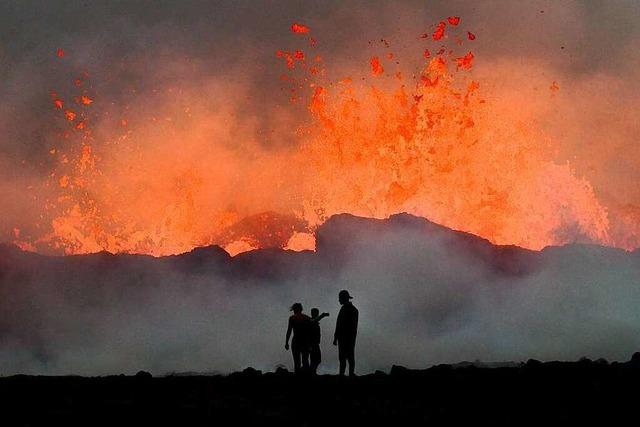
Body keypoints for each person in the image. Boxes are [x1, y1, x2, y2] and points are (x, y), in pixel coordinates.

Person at [333, 290, 359, 376]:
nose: (339, 300)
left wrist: (336, 337)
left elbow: (339, 324)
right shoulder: (354, 310)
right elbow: (354, 327)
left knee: (343, 357)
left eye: (340, 298)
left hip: (343, 337)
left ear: (343, 298)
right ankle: (350, 373)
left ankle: (342, 374)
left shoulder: (344, 310)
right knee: (350, 356)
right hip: (351, 337)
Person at [285, 302, 311, 373]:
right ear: (301, 309)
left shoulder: (292, 318)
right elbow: (310, 332)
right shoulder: (307, 318)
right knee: (305, 361)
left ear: (294, 310)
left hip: (296, 341)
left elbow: (289, 331)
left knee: (297, 362)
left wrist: (286, 342)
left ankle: (297, 378)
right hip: (305, 341)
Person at [309, 308, 330, 374]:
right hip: (312, 343)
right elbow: (314, 321)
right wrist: (322, 315)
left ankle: (312, 371)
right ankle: (312, 372)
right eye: (315, 313)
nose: (316, 314)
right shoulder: (311, 321)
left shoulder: (314, 321)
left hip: (315, 343)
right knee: (315, 359)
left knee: (317, 359)